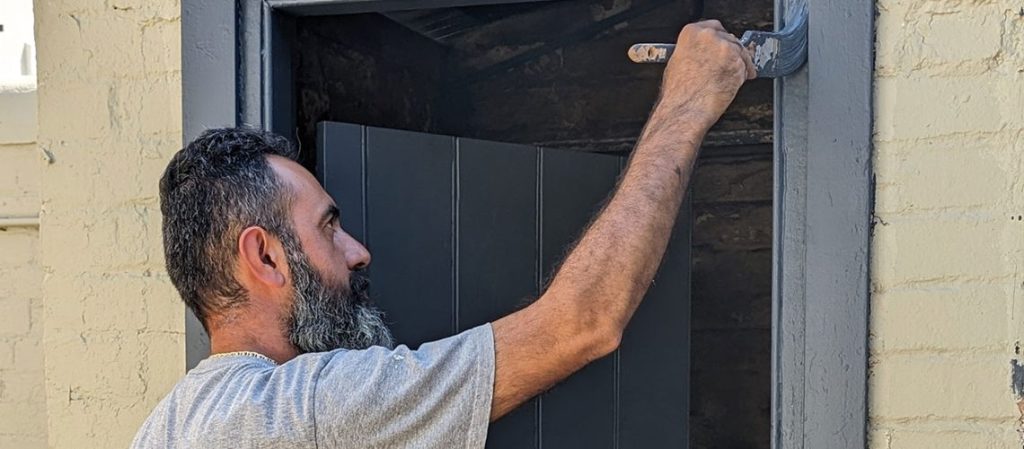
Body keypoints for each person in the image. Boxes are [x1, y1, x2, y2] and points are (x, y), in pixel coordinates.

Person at [131, 19, 756, 448]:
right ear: (264, 256)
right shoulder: (306, 409)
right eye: (329, 228)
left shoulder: (165, 429)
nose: (358, 252)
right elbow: (584, 322)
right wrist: (688, 104)